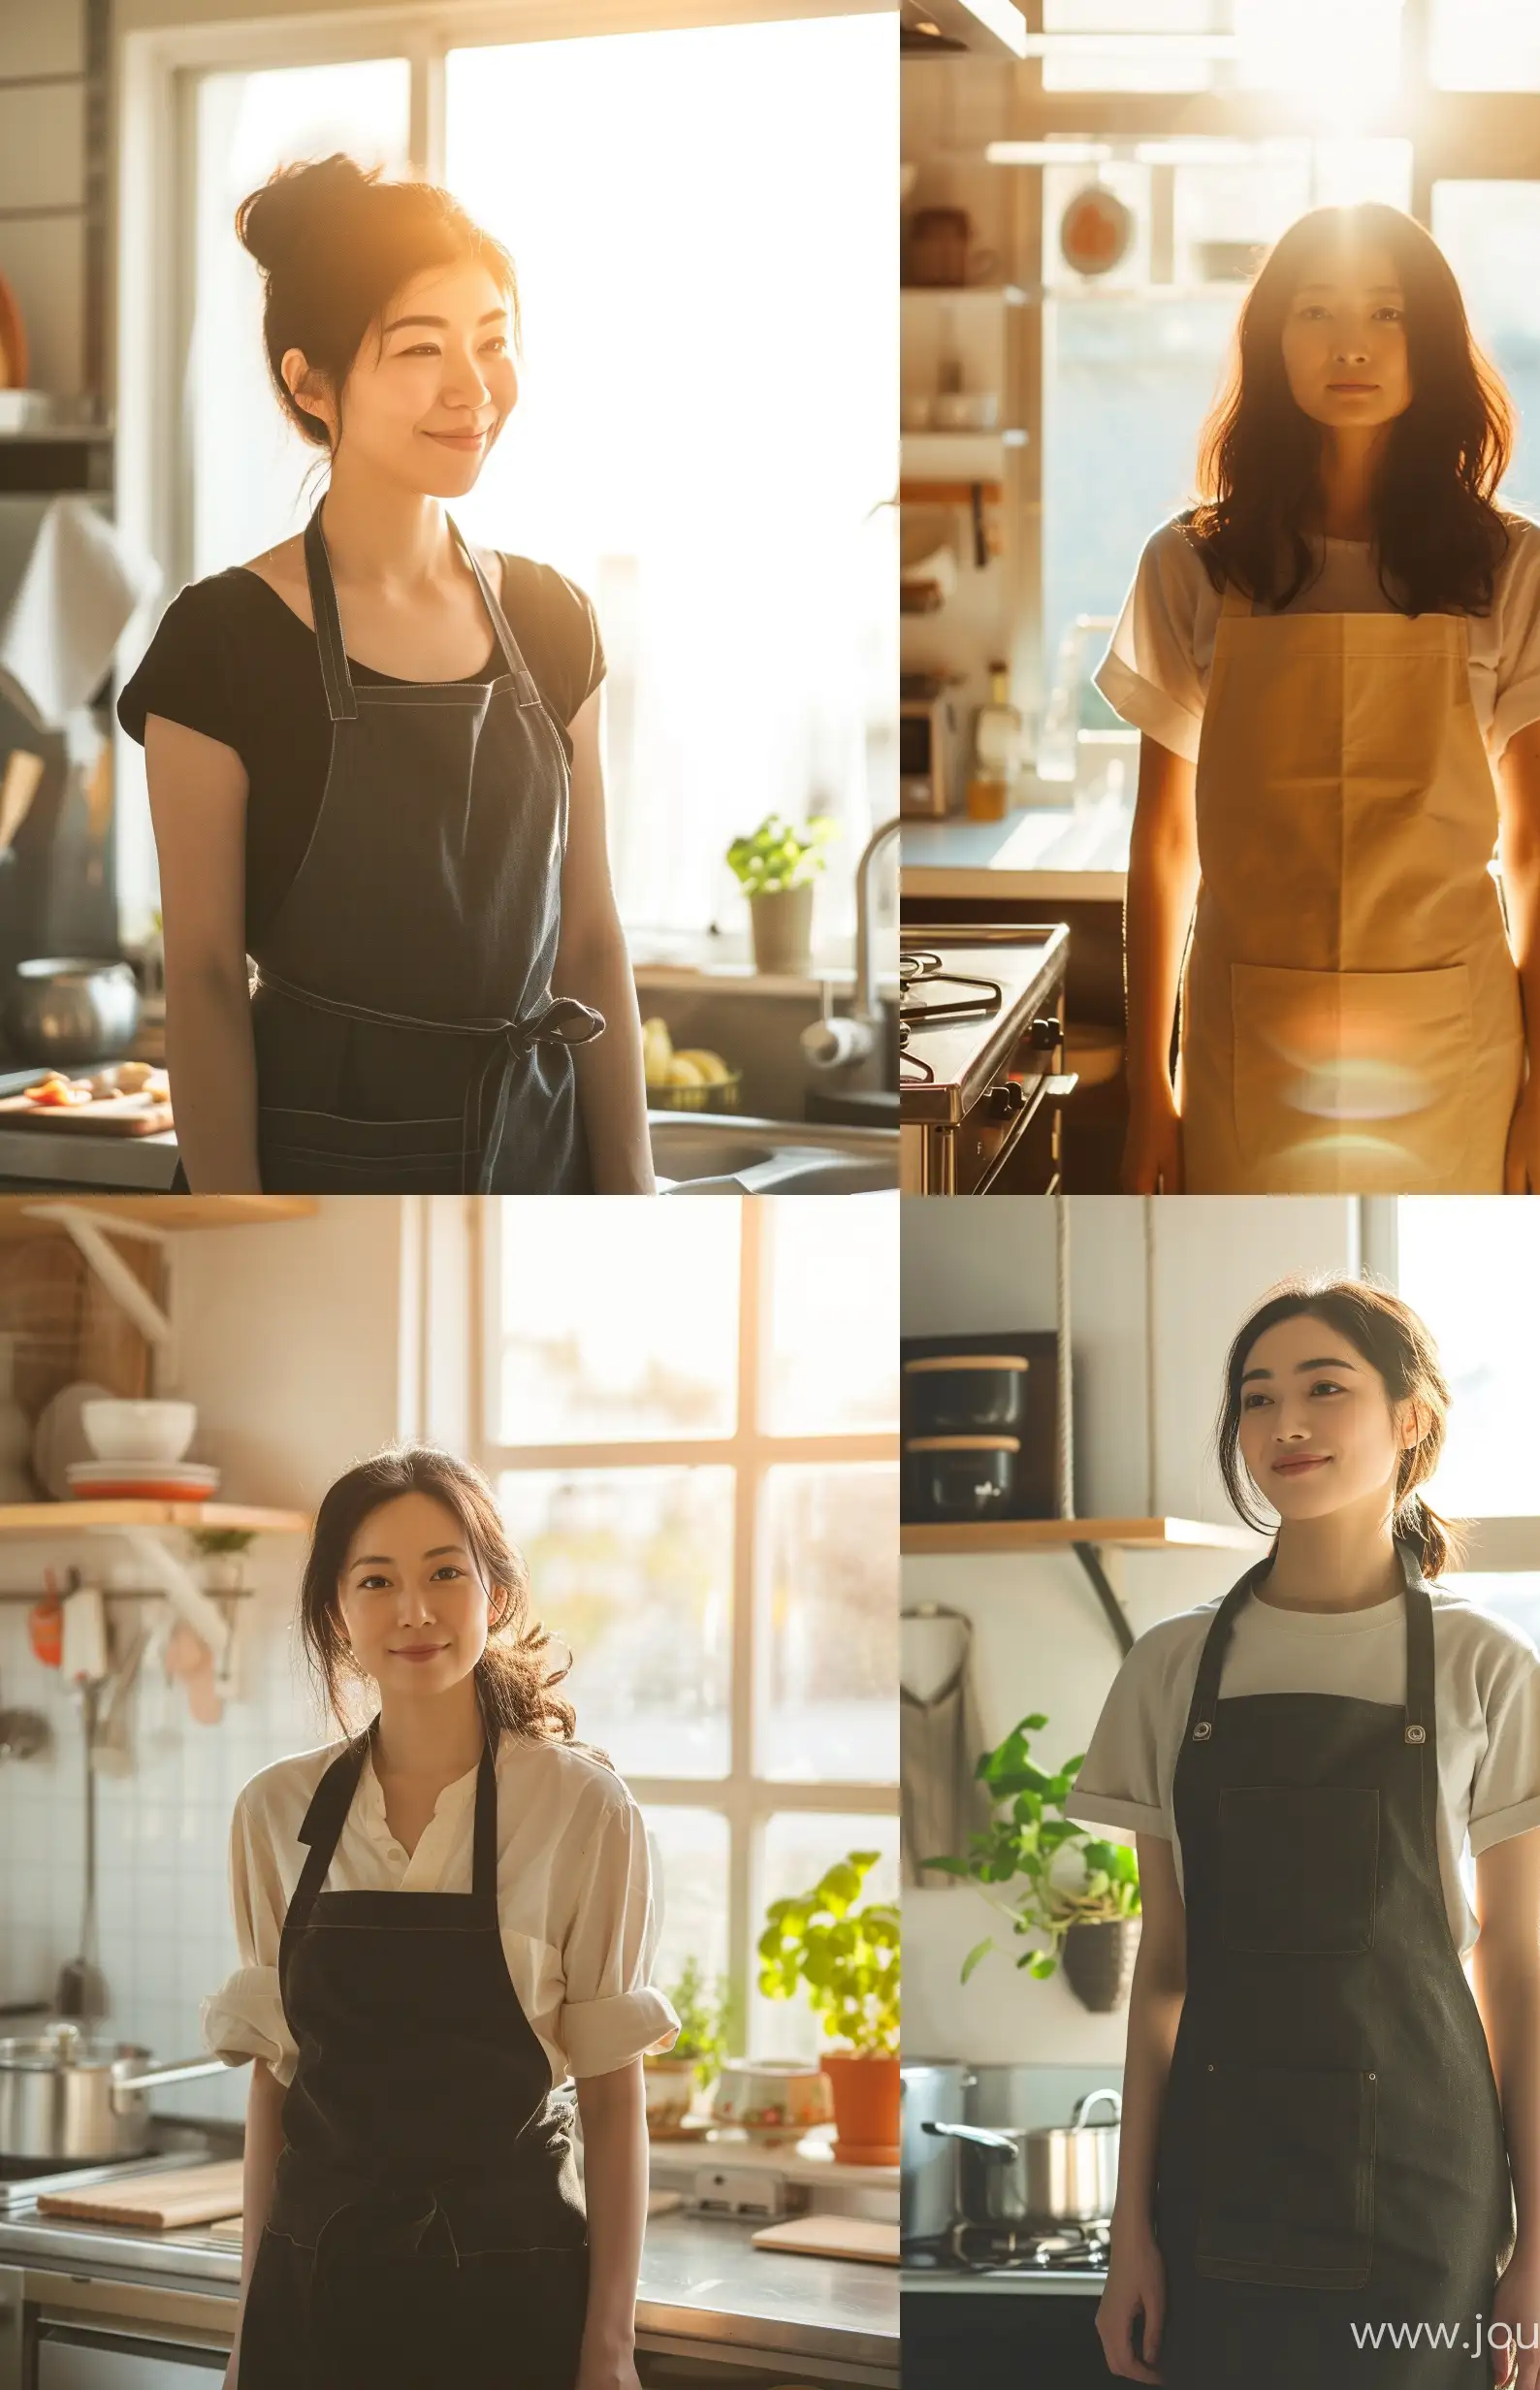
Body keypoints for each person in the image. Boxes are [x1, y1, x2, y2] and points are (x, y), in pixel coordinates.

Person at [1070, 1279, 1540, 2390]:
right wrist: (1131, 2231)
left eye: (1324, 1389)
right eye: (1256, 1399)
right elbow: (1162, 1973)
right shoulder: (1168, 1668)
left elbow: (1511, 1975)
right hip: (1219, 2192)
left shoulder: (1484, 1666)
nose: (1285, 1425)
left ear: (1409, 1419)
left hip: (1425, 2197)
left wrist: (1535, 2252)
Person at [118, 156, 652, 1194]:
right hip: (312, 1179)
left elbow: (588, 940)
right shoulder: (220, 643)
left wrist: (631, 1200)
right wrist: (239, 1237)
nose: (472, 388)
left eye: (491, 342)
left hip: (537, 1175)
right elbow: (204, 980)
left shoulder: (554, 622)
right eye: (419, 349)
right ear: (309, 381)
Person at [1106, 203, 1540, 1198]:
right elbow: (1162, 845)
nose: (1350, 346)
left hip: (1451, 1043)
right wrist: (1145, 1090)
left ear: (1431, 343)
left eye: (1385, 315)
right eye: (1314, 313)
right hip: (1247, 1041)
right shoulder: (1191, 562)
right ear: (1269, 340)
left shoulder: (1515, 567)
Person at [202, 1445, 678, 2390]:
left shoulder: (580, 1808)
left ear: (493, 1595)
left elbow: (612, 2094)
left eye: (444, 1573)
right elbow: (274, 2089)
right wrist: (250, 2332)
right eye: (376, 1579)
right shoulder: (274, 1811)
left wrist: (608, 2344)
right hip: (314, 2309)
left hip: (509, 2306)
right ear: (337, 1611)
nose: (413, 1610)